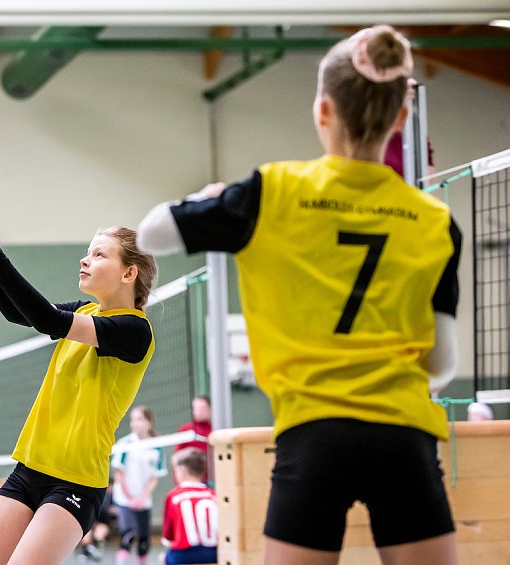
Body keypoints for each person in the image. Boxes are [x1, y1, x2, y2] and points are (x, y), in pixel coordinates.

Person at [138, 25, 461, 565]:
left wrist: (217, 198)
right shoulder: (435, 220)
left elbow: (151, 232)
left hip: (312, 436)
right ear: (402, 117)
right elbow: (441, 366)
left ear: (322, 111)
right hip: (403, 434)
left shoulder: (273, 192)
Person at [0, 215, 157, 565]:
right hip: (29, 469)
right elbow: (21, 314)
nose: (84, 260)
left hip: (75, 482)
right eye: (88, 253)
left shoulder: (134, 331)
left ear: (128, 273)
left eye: (98, 254)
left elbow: (47, 319)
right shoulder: (87, 310)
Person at [112, 406, 167, 565]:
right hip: (125, 499)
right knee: (128, 536)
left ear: (149, 422)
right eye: (133, 420)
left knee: (144, 541)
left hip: (143, 500)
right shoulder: (125, 444)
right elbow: (119, 474)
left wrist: (142, 497)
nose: (135, 423)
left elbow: (154, 477)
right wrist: (130, 498)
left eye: (139, 419)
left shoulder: (157, 445)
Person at [161, 448, 218, 565]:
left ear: (182, 470)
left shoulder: (174, 497)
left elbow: (168, 538)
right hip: (214, 553)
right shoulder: (214, 496)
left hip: (184, 556)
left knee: (163, 557)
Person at [174, 396, 212, 483]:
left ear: (209, 409)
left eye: (202, 408)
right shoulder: (185, 429)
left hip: (211, 478)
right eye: (196, 408)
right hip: (190, 480)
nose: (198, 411)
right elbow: (177, 457)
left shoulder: (215, 430)